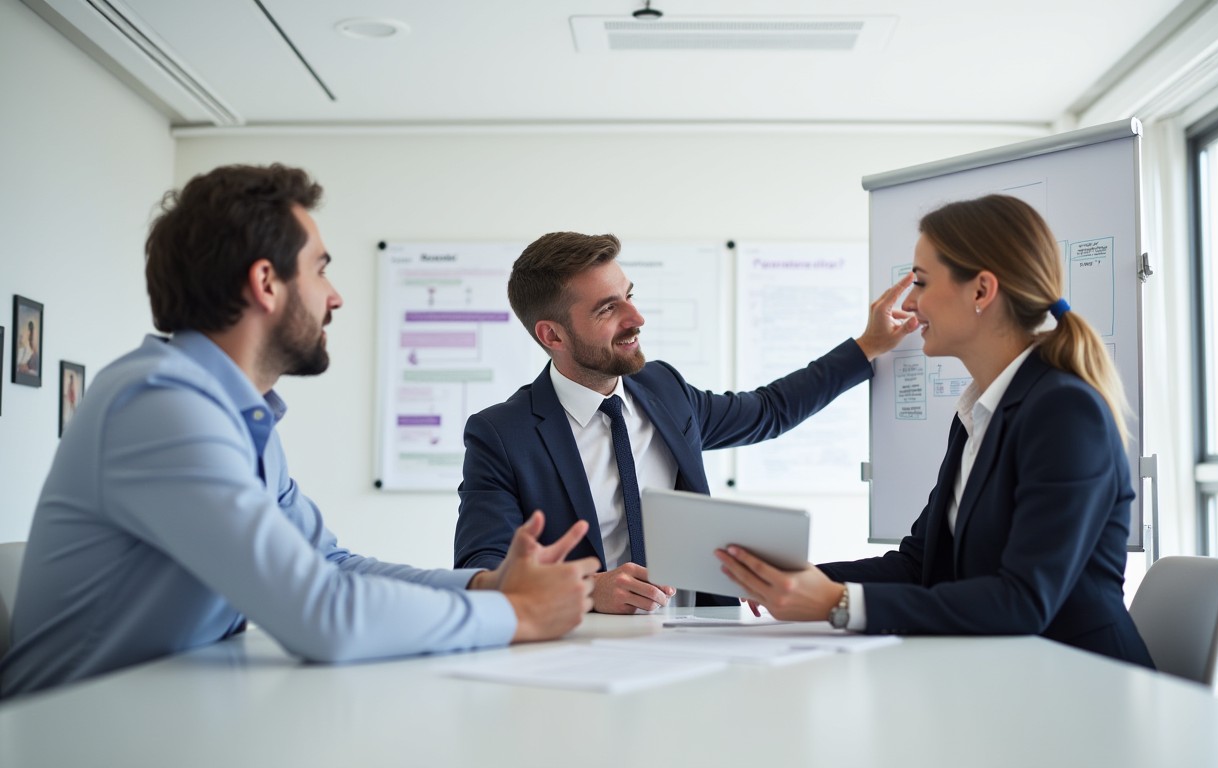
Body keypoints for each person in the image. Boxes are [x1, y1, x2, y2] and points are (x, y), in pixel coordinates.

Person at [0, 164, 598, 699]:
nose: (335, 296)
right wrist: (518, 615)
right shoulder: (160, 405)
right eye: (320, 269)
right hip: (70, 735)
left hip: (160, 716)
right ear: (265, 283)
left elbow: (329, 565)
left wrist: (489, 585)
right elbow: (321, 614)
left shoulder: (237, 414)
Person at [716, 194, 1155, 668]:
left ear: (981, 291)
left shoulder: (1065, 412)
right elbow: (920, 566)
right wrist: (800, 580)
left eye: (921, 282)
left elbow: (1023, 602)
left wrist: (837, 603)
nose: (911, 302)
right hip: (1013, 678)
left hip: (1087, 687)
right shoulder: (978, 413)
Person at [454, 231, 919, 614]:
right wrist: (588, 589)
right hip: (586, 650)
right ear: (551, 334)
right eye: (607, 309)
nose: (636, 319)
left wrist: (867, 347)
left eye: (629, 297)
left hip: (702, 633)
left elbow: (768, 411)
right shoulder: (502, 434)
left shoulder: (663, 389)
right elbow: (479, 570)